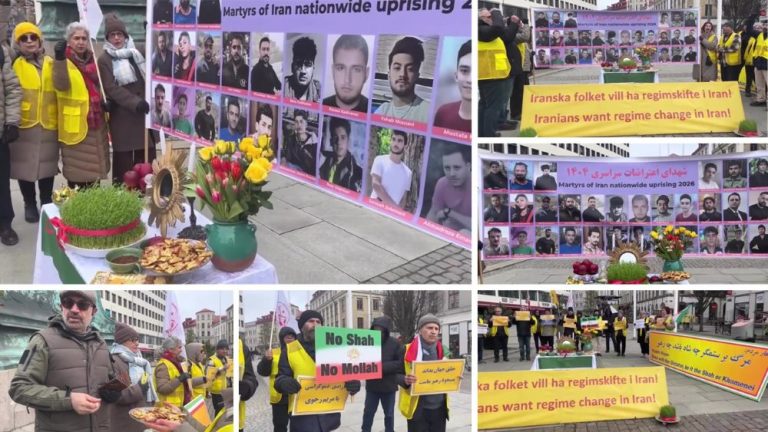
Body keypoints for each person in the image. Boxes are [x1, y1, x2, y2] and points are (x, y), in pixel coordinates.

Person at [9, 291, 119, 431]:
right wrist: (68, 400)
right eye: (68, 303)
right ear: (62, 307)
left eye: (82, 305)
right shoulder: (42, 341)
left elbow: (110, 378)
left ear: (94, 311)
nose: (74, 309)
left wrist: (114, 391)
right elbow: (18, 388)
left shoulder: (101, 344)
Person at [274, 310, 360, 432]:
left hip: (329, 416)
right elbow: (279, 379)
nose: (315, 324)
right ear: (302, 326)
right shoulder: (289, 349)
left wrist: (353, 383)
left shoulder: (333, 347)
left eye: (318, 322)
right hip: (303, 418)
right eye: (311, 321)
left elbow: (347, 372)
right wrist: (284, 382)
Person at [97, 13, 154, 185]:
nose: (116, 38)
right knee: (125, 166)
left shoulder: (136, 53)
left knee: (146, 163)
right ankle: (125, 201)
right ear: (107, 38)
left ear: (125, 36)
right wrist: (135, 103)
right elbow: (111, 88)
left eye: (119, 34)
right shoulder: (104, 59)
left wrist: (150, 32)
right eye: (112, 35)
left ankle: (147, 195)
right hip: (123, 119)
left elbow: (153, 54)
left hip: (143, 117)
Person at [53, 22, 110, 189]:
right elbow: (61, 85)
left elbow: (99, 87)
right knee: (78, 174)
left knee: (94, 173)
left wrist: (104, 102)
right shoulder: (63, 61)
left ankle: (92, 209)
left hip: (96, 122)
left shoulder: (94, 60)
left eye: (84, 38)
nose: (80, 42)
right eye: (76, 38)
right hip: (76, 124)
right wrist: (59, 58)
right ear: (69, 40)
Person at [9, 23, 54, 225]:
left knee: (47, 167)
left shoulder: (52, 62)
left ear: (39, 40)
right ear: (17, 43)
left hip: (48, 122)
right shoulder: (13, 64)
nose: (29, 41)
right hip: (24, 123)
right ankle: (29, 203)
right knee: (24, 167)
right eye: (24, 38)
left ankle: (46, 202)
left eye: (33, 37)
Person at [399, 314, 451, 431]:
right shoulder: (406, 349)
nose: (433, 332)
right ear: (420, 330)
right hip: (418, 409)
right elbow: (395, 374)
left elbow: (448, 372)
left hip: (439, 409)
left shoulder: (443, 350)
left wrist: (455, 377)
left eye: (436, 329)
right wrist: (405, 379)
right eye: (429, 328)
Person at [110, 322, 154, 432]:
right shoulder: (115, 361)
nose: (137, 343)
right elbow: (117, 396)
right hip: (126, 421)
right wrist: (140, 388)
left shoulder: (139, 361)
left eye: (137, 339)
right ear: (121, 342)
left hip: (140, 416)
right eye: (132, 340)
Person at [361, 316, 402, 432]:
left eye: (381, 329)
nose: (378, 331)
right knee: (368, 413)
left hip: (389, 387)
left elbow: (400, 364)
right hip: (372, 387)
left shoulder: (395, 344)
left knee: (389, 414)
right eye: (375, 328)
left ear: (386, 330)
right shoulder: (367, 342)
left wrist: (380, 367)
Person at [375, 36, 429, 123]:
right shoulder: (382, 111)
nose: (402, 74)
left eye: (410, 69)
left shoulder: (428, 112)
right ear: (389, 74)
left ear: (417, 75)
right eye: (397, 68)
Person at [257, 327, 297, 432]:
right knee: (280, 426)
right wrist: (266, 360)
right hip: (279, 397)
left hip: (297, 394)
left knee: (298, 426)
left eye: (292, 336)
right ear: (281, 338)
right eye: (287, 336)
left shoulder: (300, 352)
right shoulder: (272, 353)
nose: (290, 338)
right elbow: (262, 372)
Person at [425, 146, 471, 232]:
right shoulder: (442, 183)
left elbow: (478, 225)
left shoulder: (477, 184)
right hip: (448, 233)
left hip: (471, 237)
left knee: (464, 232)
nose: (452, 173)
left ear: (468, 166)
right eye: (447, 168)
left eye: (457, 168)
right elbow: (433, 213)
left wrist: (450, 213)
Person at [323, 35, 370, 113]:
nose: (347, 80)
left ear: (366, 74)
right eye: (340, 68)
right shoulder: (322, 104)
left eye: (356, 70)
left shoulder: (374, 111)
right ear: (333, 71)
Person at [433, 40, 470, 133]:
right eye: (464, 71)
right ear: (456, 76)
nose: (470, 80)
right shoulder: (443, 113)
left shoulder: (488, 120)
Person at [370, 130, 411, 209]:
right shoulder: (379, 160)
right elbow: (376, 185)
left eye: (399, 141)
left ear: (405, 146)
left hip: (392, 216)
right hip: (374, 207)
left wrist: (398, 212)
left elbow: (403, 198)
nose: (396, 143)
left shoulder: (408, 172)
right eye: (393, 139)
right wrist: (395, 208)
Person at [319, 117, 362, 191]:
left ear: (348, 140)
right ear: (330, 141)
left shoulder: (356, 172)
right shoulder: (323, 160)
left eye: (343, 137)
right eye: (335, 137)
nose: (338, 142)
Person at [156, 336, 192, 408]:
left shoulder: (177, 363)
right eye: (179, 347)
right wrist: (180, 378)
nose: (181, 350)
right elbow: (162, 389)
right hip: (167, 408)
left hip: (177, 406)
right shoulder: (163, 365)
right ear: (171, 349)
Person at [285, 36, 321, 102]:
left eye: (308, 64)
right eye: (298, 64)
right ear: (292, 67)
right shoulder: (283, 86)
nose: (303, 71)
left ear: (313, 69)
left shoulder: (319, 91)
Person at [283, 110, 317, 175]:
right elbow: (288, 159)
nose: (299, 125)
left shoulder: (314, 143)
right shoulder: (291, 139)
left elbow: (314, 168)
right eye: (296, 122)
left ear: (306, 124)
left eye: (301, 122)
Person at [208, 339, 231, 414]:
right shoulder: (212, 360)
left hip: (225, 390)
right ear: (217, 350)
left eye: (226, 349)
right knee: (219, 412)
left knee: (224, 412)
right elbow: (210, 375)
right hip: (216, 392)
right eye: (222, 349)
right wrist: (222, 368)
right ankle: (217, 425)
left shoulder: (226, 359)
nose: (225, 351)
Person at [752, 24, 768, 106]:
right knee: (759, 84)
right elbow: (748, 28)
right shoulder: (759, 35)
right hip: (758, 62)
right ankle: (761, 99)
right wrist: (753, 15)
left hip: (766, 62)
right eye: (765, 25)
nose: (766, 26)